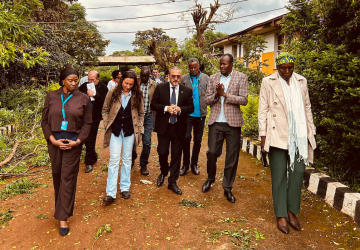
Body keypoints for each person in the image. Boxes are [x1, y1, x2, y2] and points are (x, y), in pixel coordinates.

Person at [258, 52, 316, 234]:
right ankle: (281, 213)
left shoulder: (301, 81)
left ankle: (291, 209)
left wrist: (310, 130)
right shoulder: (268, 82)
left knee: (298, 171)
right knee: (279, 174)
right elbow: (263, 109)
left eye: (290, 67)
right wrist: (263, 137)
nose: (287, 71)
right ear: (277, 68)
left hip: (298, 134)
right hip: (277, 133)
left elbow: (307, 106)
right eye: (283, 68)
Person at [41, 66, 92, 236]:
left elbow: (87, 124)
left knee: (67, 178)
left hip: (72, 144)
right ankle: (61, 208)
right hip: (55, 143)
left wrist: (77, 141)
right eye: (70, 80)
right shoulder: (51, 96)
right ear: (62, 80)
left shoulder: (83, 98)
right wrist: (53, 140)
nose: (74, 83)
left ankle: (62, 217)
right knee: (57, 176)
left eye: (76, 80)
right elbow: (44, 122)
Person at [202, 53, 248, 203]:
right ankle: (210, 178)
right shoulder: (213, 78)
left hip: (233, 123)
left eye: (225, 64)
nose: (222, 66)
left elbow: (244, 100)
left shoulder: (241, 77)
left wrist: (225, 94)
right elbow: (207, 100)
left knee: (231, 157)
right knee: (212, 152)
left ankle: (227, 187)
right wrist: (216, 94)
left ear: (231, 64)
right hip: (216, 121)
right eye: (220, 64)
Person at [150, 66, 194, 195]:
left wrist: (180, 109)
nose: (175, 79)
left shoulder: (187, 91)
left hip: (178, 127)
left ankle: (172, 181)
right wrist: (166, 109)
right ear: (168, 76)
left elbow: (190, 108)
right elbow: (153, 104)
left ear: (181, 77)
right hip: (164, 127)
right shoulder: (160, 88)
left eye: (178, 76)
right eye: (173, 76)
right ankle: (164, 171)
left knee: (176, 155)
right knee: (162, 152)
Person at [102, 71, 144, 203]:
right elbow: (105, 109)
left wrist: (139, 127)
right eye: (126, 83)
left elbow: (141, 113)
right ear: (121, 81)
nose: (128, 86)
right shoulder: (113, 92)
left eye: (131, 84)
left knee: (127, 159)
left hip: (130, 131)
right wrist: (107, 123)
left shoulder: (137, 95)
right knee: (114, 160)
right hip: (115, 131)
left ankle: (125, 187)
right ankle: (111, 192)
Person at [180, 58, 209, 176]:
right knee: (186, 138)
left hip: (200, 115)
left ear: (199, 66)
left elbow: (210, 94)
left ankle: (194, 164)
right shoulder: (184, 79)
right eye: (191, 67)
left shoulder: (206, 78)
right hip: (187, 115)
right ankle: (185, 165)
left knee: (197, 141)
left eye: (195, 67)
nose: (193, 69)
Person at [78, 70, 108, 173]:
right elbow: (77, 96)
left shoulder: (103, 88)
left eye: (92, 79)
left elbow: (105, 101)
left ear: (97, 80)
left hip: (95, 118)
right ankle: (93, 156)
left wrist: (94, 95)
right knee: (84, 139)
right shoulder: (84, 86)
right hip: (83, 117)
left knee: (91, 138)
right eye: (88, 79)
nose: (90, 81)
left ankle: (89, 162)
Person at [131, 66, 157, 175]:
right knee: (133, 141)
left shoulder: (154, 85)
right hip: (135, 116)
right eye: (142, 75)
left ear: (150, 75)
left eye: (146, 76)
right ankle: (131, 158)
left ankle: (143, 164)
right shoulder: (135, 84)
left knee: (147, 142)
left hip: (148, 116)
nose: (144, 78)